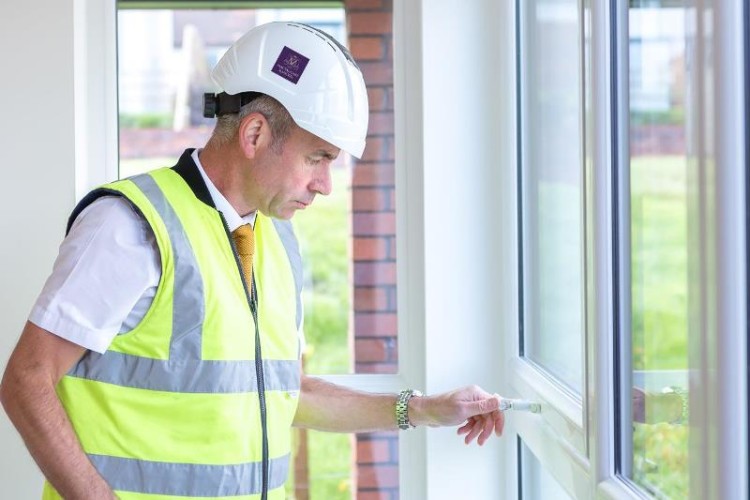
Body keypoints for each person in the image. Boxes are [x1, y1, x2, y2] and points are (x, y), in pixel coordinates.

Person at [0, 22, 505, 499]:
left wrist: (420, 409)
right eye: (318, 158)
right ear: (255, 134)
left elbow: (284, 394)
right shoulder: (128, 226)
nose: (326, 185)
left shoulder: (278, 241)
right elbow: (27, 380)